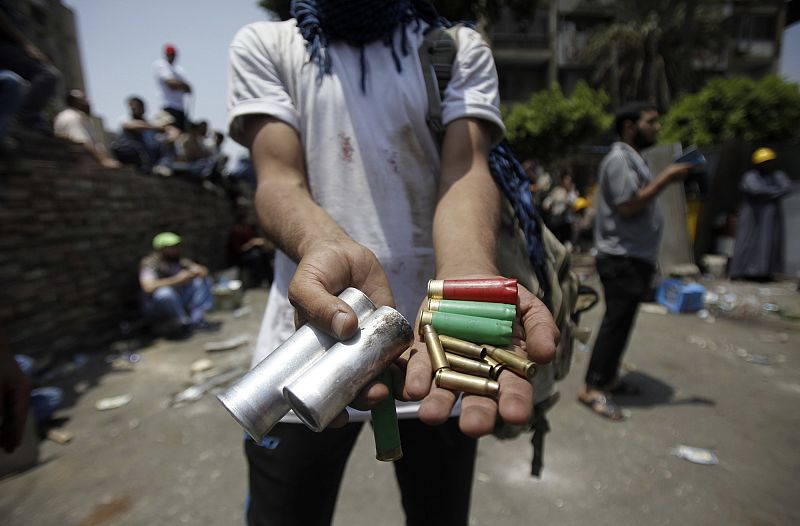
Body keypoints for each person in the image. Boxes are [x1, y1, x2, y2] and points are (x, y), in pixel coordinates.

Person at [227, 2, 558, 524]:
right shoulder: (268, 46)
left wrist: (469, 279)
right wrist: (325, 247)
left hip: (441, 354)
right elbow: (276, 180)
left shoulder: (455, 50)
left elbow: (465, 168)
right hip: (308, 345)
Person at [579, 101, 692, 420]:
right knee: (615, 323)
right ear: (629, 125)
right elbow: (628, 206)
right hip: (621, 256)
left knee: (624, 322)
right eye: (651, 122)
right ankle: (593, 387)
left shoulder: (634, 160)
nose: (656, 128)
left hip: (634, 255)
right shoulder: (618, 160)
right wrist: (668, 177)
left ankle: (609, 379)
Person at [729, 148, 792, 282]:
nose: (767, 165)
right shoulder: (750, 176)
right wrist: (775, 191)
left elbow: (787, 187)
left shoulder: (777, 175)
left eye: (770, 162)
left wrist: (771, 192)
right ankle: (742, 272)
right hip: (752, 215)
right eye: (764, 162)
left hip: (771, 216)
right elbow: (757, 190)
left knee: (769, 242)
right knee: (747, 241)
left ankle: (764, 272)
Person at [139, 232, 218, 338]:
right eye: (172, 247)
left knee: (201, 281)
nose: (176, 249)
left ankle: (197, 319)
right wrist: (177, 280)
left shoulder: (179, 261)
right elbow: (147, 287)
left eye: (177, 246)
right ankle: (182, 323)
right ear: (162, 249)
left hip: (180, 299)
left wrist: (197, 272)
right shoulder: (150, 264)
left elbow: (203, 271)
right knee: (165, 293)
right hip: (157, 307)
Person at [0, 0, 60, 136]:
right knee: (47, 75)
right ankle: (26, 116)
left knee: (15, 83)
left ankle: (25, 117)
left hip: (12, 50)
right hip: (6, 48)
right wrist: (25, 44)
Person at [54, 89, 120, 169]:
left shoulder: (75, 116)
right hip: (83, 165)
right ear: (75, 103)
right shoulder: (72, 117)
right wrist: (103, 160)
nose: (87, 102)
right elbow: (82, 141)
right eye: (83, 100)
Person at [112, 95, 178, 173]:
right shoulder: (125, 119)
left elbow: (171, 130)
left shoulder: (149, 122)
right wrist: (156, 127)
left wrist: (171, 136)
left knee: (168, 144)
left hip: (149, 150)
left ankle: (163, 166)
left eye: (137, 107)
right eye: (132, 108)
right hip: (132, 151)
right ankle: (146, 166)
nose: (134, 109)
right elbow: (133, 126)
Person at [227, 209, 274, 288]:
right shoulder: (236, 231)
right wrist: (252, 243)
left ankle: (270, 280)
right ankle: (257, 280)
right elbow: (239, 249)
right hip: (240, 257)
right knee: (256, 256)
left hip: (252, 253)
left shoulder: (249, 228)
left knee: (265, 254)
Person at [153, 43, 191, 131]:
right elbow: (171, 84)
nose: (171, 56)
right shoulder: (161, 65)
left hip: (181, 108)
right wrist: (182, 85)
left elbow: (188, 89)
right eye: (169, 54)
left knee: (181, 133)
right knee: (171, 131)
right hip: (168, 105)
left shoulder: (179, 70)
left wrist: (180, 85)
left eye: (173, 54)